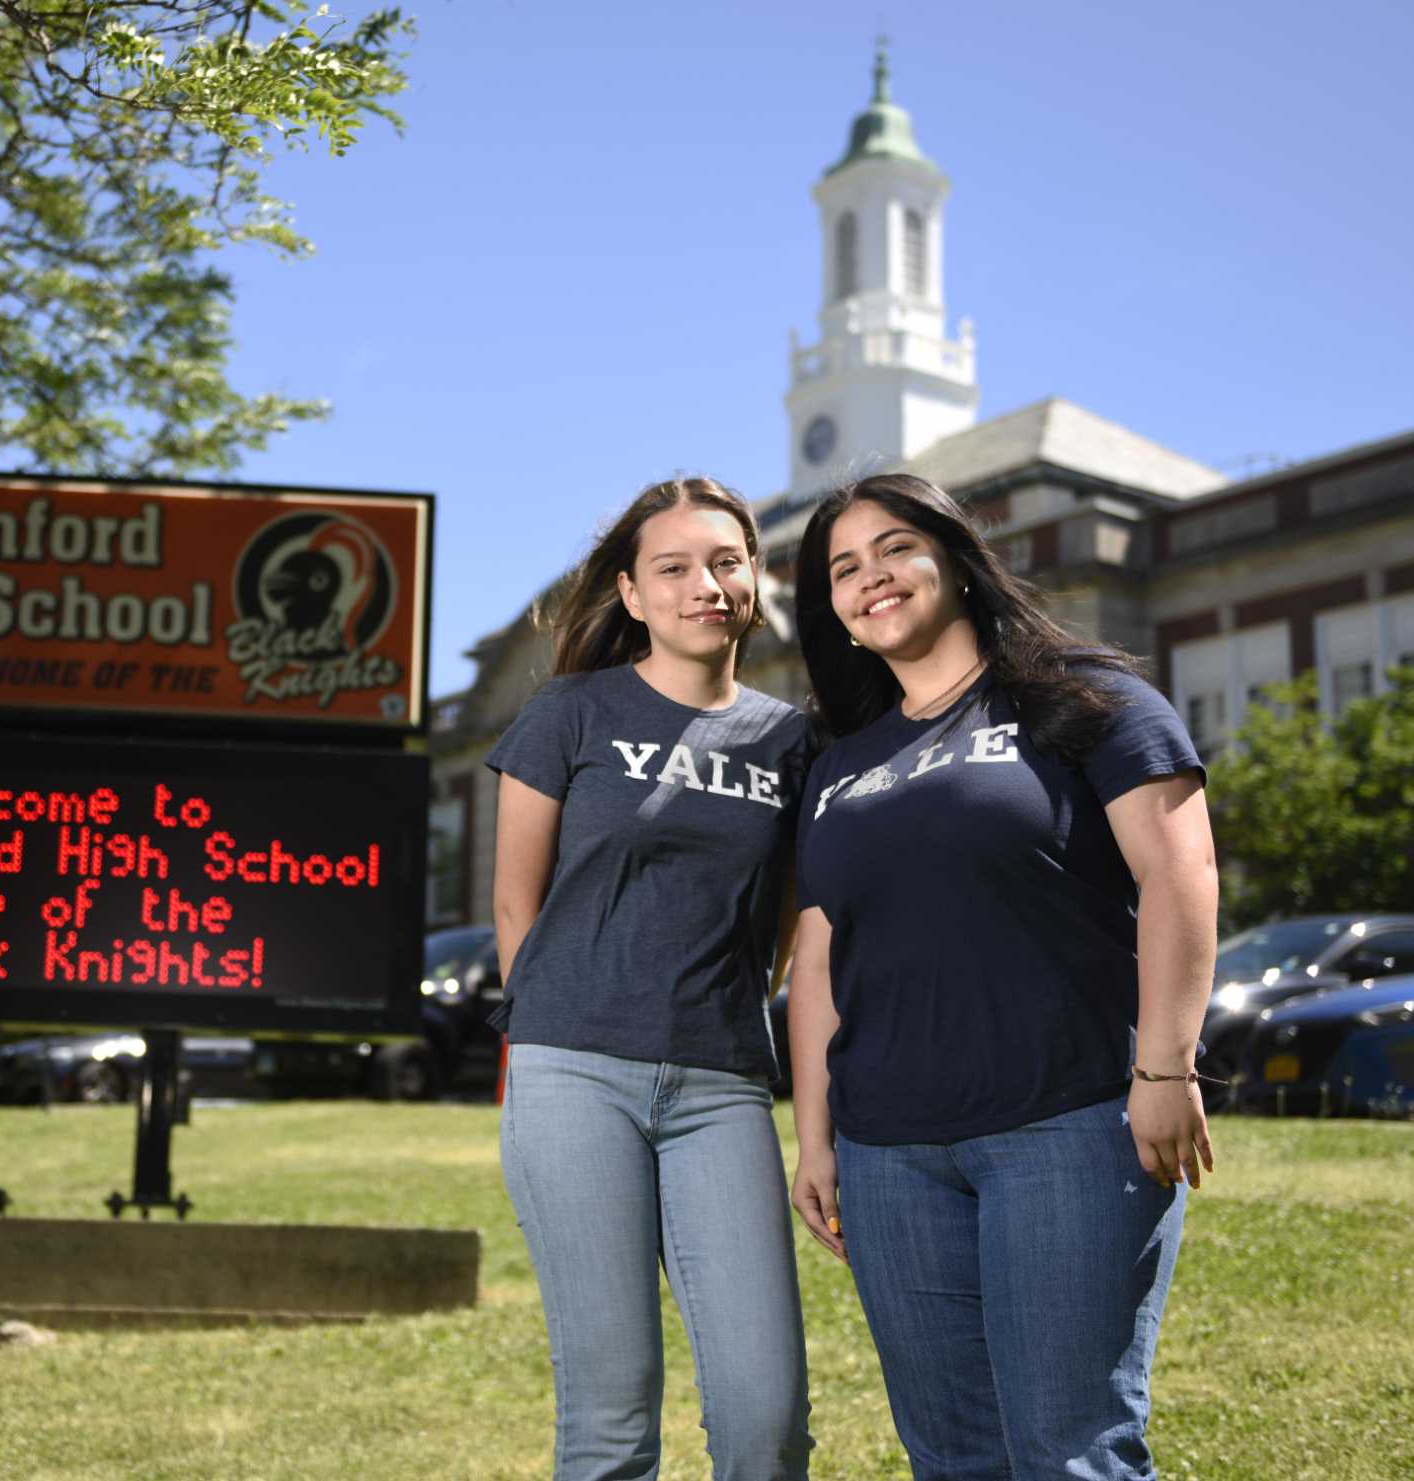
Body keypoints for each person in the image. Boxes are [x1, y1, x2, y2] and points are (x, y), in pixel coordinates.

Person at [786, 473, 1217, 1480]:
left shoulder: (1085, 694)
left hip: (1064, 1125)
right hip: (889, 1156)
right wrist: (814, 1135)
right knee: (950, 1457)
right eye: (841, 568)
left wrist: (1162, 1066)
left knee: (1068, 1451)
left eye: (892, 547)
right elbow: (817, 958)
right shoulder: (837, 765)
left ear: (954, 558)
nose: (869, 577)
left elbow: (1178, 871)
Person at [488, 476, 816, 1481]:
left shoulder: (792, 738)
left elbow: (791, 927)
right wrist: (546, 1036)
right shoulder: (569, 713)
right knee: (610, 1419)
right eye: (670, 567)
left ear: (754, 580)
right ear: (630, 594)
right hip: (573, 1074)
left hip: (719, 1082)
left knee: (766, 1421)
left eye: (724, 562)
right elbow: (514, 905)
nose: (701, 585)